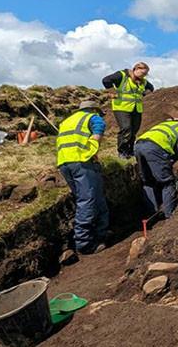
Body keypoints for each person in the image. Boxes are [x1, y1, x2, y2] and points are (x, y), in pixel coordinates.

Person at [56, 101, 109, 255]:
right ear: (92, 109)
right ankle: (85, 243)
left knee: (94, 197)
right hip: (83, 161)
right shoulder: (92, 117)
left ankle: (101, 232)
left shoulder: (66, 121)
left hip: (65, 163)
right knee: (88, 200)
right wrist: (94, 146)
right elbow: (99, 128)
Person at [134, 118, 178, 219]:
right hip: (154, 148)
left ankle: (152, 214)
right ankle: (169, 213)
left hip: (138, 146)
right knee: (168, 182)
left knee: (148, 182)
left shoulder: (167, 124)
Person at [102, 62, 154, 159]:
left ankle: (130, 151)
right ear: (136, 69)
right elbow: (106, 80)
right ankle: (122, 151)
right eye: (142, 73)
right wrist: (111, 91)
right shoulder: (122, 75)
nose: (144, 76)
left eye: (145, 74)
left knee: (134, 130)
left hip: (136, 108)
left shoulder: (143, 81)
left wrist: (145, 93)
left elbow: (151, 88)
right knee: (126, 128)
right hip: (121, 107)